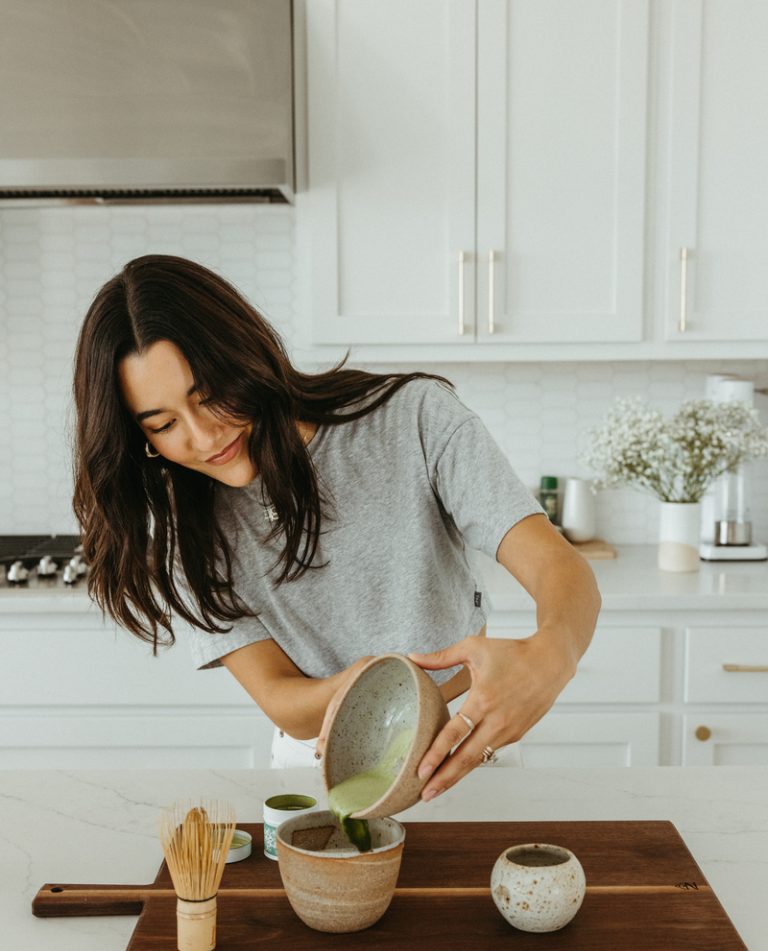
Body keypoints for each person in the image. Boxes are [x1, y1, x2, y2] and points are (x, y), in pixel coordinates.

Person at [72, 254, 601, 801]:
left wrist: (552, 652)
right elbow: (279, 697)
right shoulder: (190, 532)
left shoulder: (413, 418)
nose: (205, 438)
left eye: (209, 396)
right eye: (164, 425)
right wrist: (352, 689)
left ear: (245, 356)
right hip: (317, 759)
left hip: (466, 738)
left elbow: (557, 565)